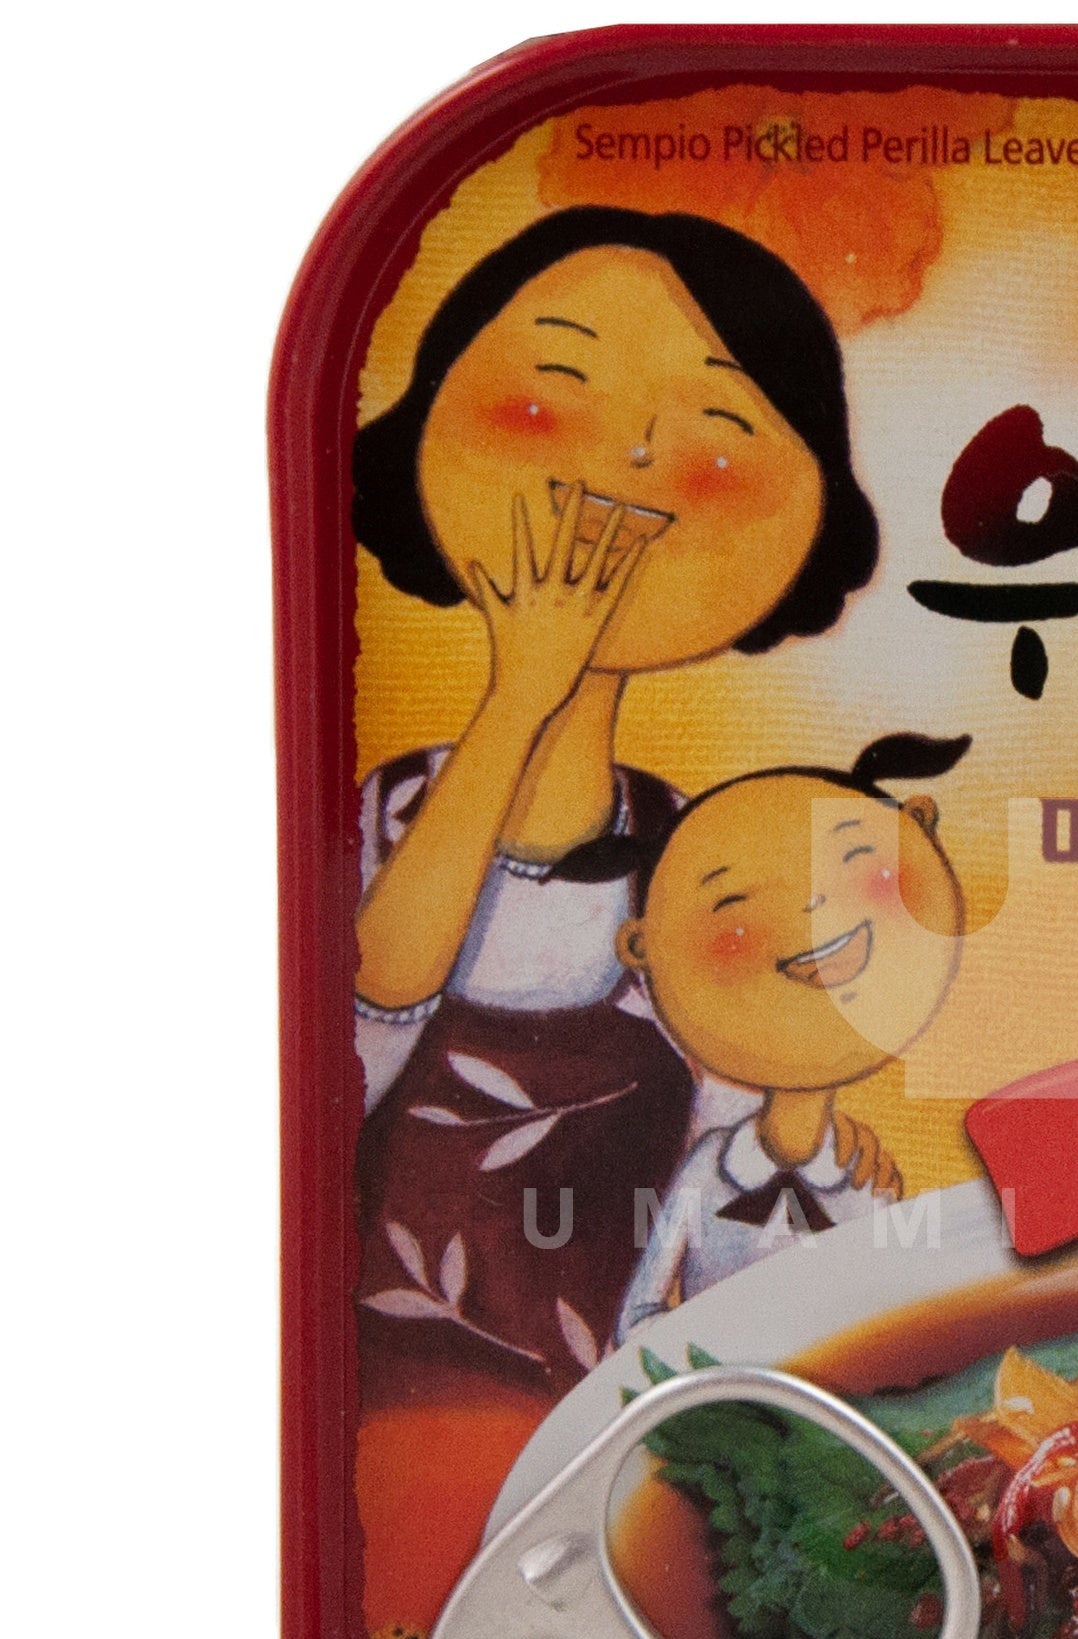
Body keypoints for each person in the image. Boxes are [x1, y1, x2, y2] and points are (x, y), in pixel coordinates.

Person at [349, 206, 885, 1407]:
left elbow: (725, 1218)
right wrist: (521, 692)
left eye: (716, 445)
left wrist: (800, 1144)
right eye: (543, 408)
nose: (626, 470)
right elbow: (339, 1057)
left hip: (598, 1430)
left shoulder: (704, 858)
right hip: (371, 1399)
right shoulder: (382, 816)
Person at [614, 734, 969, 1343]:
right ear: (644, 946)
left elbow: (893, 1317)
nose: (812, 908)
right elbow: (638, 1317)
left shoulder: (865, 1179)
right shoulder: (709, 1171)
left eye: (856, 865)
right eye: (733, 905)